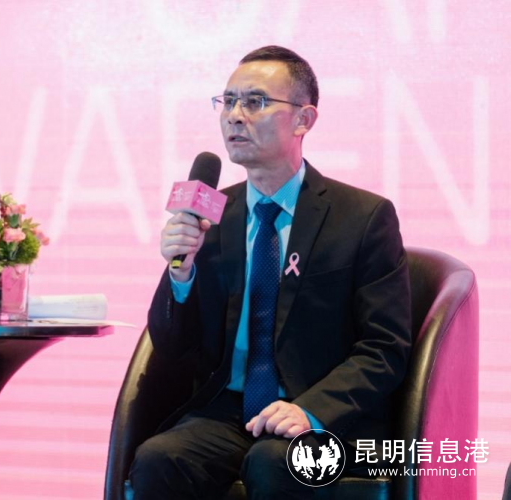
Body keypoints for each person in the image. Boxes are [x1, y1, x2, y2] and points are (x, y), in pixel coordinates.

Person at [129, 46, 412, 499]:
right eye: (228, 101)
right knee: (160, 459)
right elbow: (174, 347)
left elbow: (384, 348)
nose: (234, 116)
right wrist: (180, 274)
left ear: (303, 119)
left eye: (255, 102)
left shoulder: (362, 217)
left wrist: (311, 411)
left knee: (275, 462)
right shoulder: (213, 216)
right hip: (231, 412)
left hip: (325, 419)